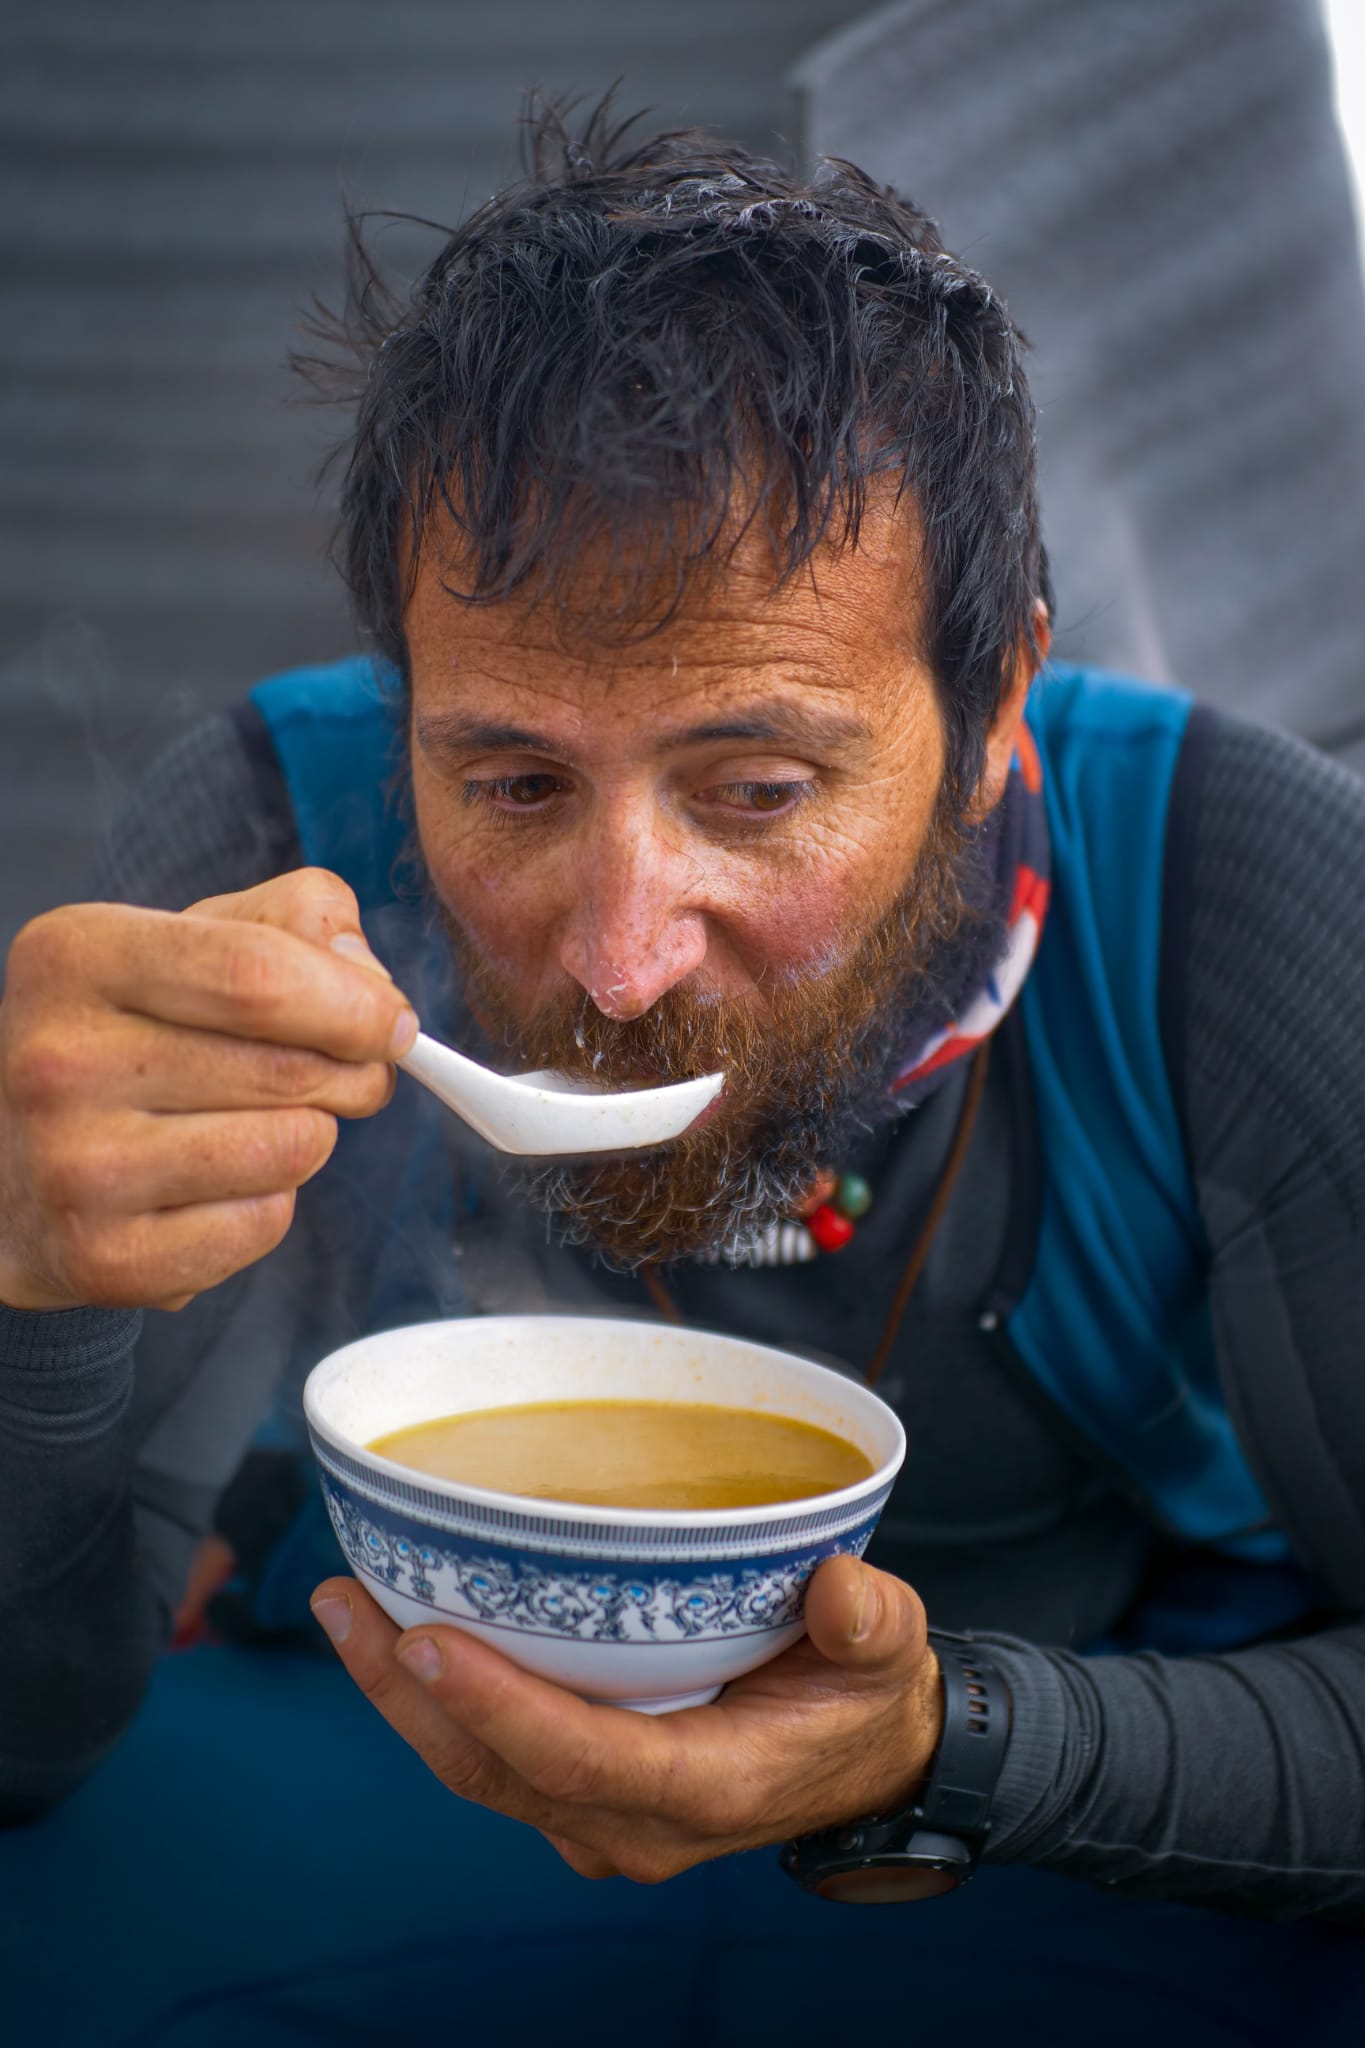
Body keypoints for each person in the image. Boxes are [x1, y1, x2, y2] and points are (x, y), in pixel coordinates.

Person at [2, 100, 1364, 2044]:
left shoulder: (1241, 893)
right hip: (378, 1776)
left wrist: (942, 1744)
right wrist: (29, 1289)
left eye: (756, 788)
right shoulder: (264, 845)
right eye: (513, 783)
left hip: (1090, 1829)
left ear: (994, 713)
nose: (618, 958)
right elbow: (25, 1753)